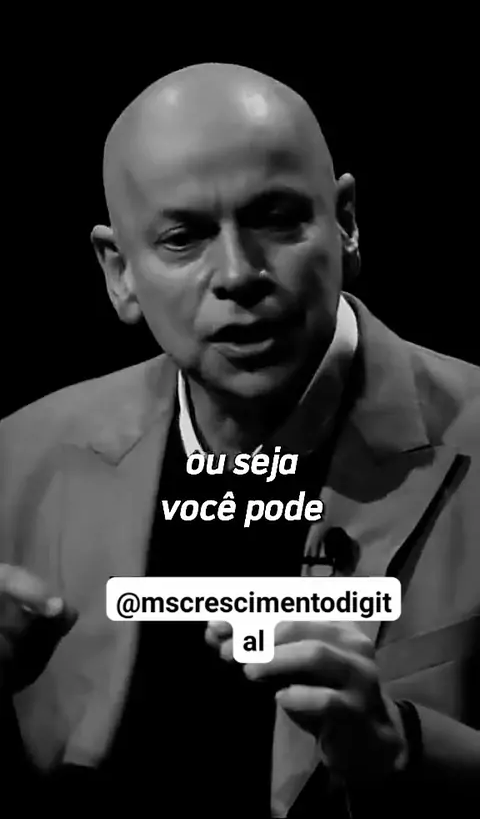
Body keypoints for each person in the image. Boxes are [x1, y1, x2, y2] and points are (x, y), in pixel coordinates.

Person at [0, 63, 479, 817]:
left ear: (347, 223)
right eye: (184, 238)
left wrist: (404, 751)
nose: (238, 274)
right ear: (120, 273)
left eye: (277, 218)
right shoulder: (19, 459)